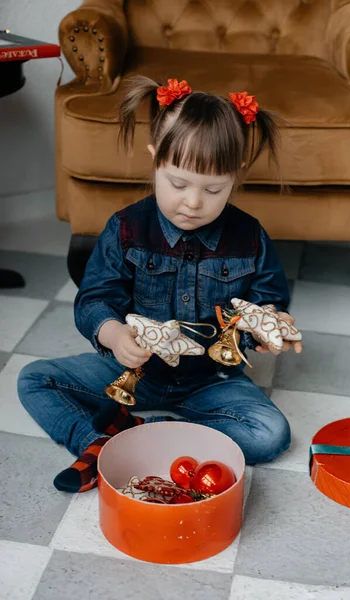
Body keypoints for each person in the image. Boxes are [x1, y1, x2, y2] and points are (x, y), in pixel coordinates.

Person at [18, 76, 302, 494]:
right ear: (155, 161)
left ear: (236, 177)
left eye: (213, 189)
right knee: (33, 379)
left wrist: (268, 324)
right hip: (132, 369)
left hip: (212, 380)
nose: (192, 202)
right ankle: (94, 441)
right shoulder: (127, 228)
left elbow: (267, 299)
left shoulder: (250, 236)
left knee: (270, 433)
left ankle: (146, 431)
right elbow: (96, 297)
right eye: (178, 183)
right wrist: (114, 335)